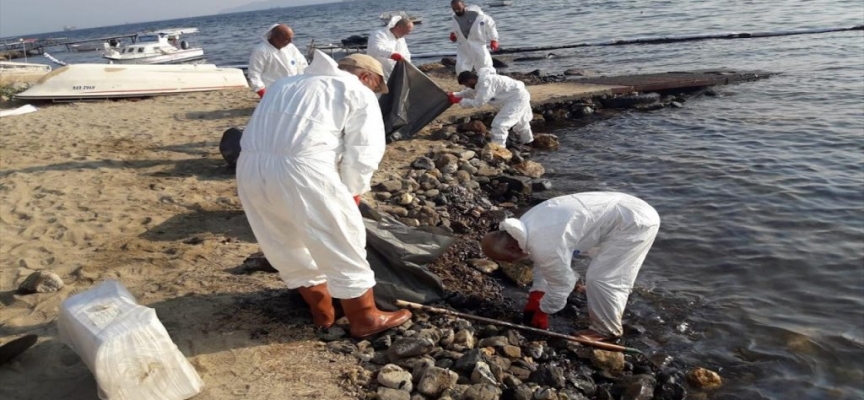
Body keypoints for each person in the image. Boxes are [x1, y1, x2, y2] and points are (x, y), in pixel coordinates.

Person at [236, 50, 411, 338]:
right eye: (376, 87)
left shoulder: (284, 84)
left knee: (283, 240)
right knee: (340, 239)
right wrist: (353, 190)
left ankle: (323, 312)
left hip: (249, 167)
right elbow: (364, 150)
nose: (375, 93)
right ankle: (365, 318)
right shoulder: (355, 89)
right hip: (303, 169)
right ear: (366, 77)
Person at [480, 192, 661, 341]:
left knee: (603, 278)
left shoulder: (544, 244)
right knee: (601, 267)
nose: (512, 263)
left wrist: (543, 311)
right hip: (622, 209)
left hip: (634, 222)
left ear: (511, 248)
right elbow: (544, 263)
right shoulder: (525, 226)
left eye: (508, 260)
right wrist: (537, 294)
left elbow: (561, 284)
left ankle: (606, 331)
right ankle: (604, 298)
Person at [448, 69, 534, 146]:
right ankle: (528, 142)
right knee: (522, 122)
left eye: (466, 84)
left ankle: (499, 149)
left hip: (517, 98)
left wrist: (459, 101)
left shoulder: (486, 84)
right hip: (517, 95)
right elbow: (471, 92)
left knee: (500, 124)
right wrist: (455, 94)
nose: (467, 86)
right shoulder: (479, 81)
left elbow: (478, 102)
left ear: (470, 80)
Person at [247, 24, 309, 99]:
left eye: (291, 38)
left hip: (294, 89)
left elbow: (302, 65)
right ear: (275, 38)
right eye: (287, 39)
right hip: (273, 92)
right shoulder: (261, 51)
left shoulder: (291, 47)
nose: (290, 41)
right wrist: (264, 95)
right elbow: (254, 74)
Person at [449, 0, 500, 74]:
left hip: (478, 46)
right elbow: (455, 29)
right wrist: (453, 34)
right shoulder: (455, 18)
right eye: (454, 9)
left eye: (459, 8)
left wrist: (494, 40)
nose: (457, 10)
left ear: (464, 6)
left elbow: (491, 26)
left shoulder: (478, 15)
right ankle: (466, 81)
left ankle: (488, 80)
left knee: (485, 68)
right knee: (461, 69)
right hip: (463, 48)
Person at [366, 16, 414, 82]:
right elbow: (376, 49)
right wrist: (392, 54)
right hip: (377, 74)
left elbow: (406, 54)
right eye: (406, 31)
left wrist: (408, 67)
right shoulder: (379, 34)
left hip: (395, 75)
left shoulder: (401, 40)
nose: (407, 34)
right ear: (399, 27)